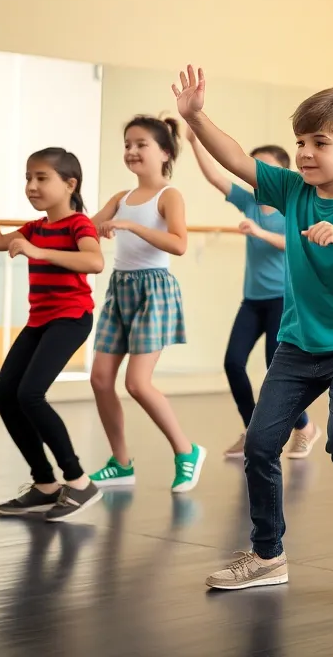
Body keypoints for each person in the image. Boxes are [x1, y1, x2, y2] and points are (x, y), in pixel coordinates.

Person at [177, 65, 333, 610]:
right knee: (261, 444)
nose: (305, 153)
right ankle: (268, 556)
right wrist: (196, 117)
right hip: (297, 344)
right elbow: (236, 159)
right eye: (300, 142)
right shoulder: (292, 189)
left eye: (319, 143)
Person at [0, 145, 104, 521]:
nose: (32, 186)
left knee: (30, 394)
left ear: (70, 184)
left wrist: (39, 253)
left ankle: (79, 481)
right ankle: (45, 484)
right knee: (4, 396)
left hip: (71, 318)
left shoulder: (78, 224)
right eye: (28, 178)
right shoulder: (35, 228)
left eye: (41, 178)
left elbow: (94, 261)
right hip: (40, 320)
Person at [87, 115, 205, 492]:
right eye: (127, 145)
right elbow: (84, 229)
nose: (132, 151)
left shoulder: (169, 196)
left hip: (153, 291)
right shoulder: (119, 199)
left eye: (141, 144)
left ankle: (186, 451)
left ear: (165, 153)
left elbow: (179, 244)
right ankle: (121, 463)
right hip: (120, 289)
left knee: (137, 383)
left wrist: (131, 226)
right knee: (100, 379)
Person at [186, 130, 321, 460]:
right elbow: (216, 177)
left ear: (282, 173)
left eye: (265, 167)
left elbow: (296, 244)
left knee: (276, 370)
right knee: (233, 362)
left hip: (283, 301)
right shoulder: (250, 202)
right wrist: (193, 142)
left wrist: (259, 232)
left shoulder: (293, 206)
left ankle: (304, 427)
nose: (257, 174)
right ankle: (252, 429)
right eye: (254, 166)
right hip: (252, 300)